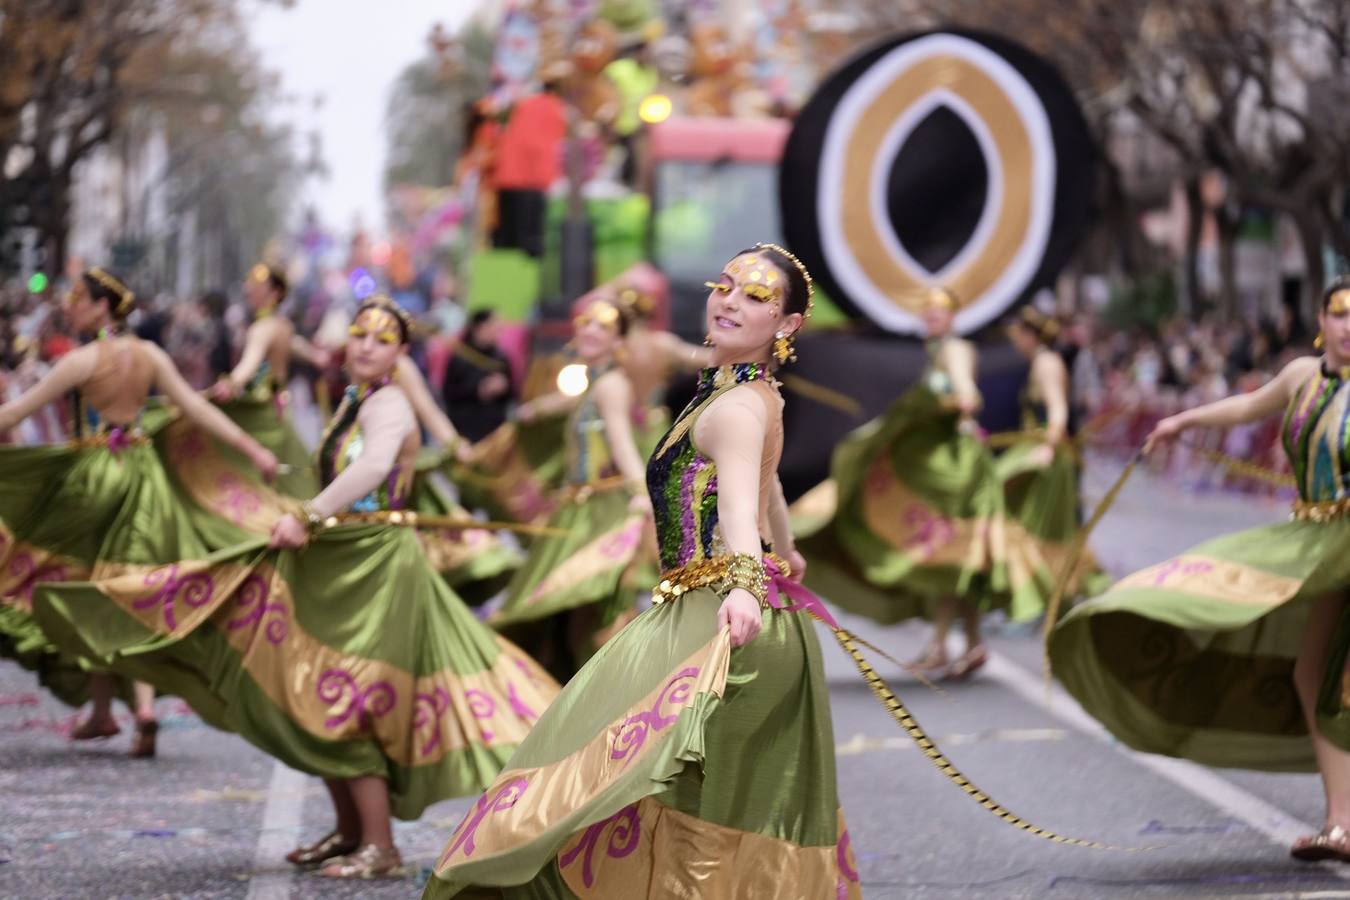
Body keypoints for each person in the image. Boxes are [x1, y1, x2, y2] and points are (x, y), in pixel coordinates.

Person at [34, 294, 559, 877]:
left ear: (401, 355)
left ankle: (380, 847)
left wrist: (308, 516)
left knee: (348, 696)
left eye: (382, 340)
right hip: (343, 558)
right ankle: (350, 832)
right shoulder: (356, 401)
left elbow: (373, 466)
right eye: (359, 333)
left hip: (375, 567)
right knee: (309, 685)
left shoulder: (387, 404)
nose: (365, 345)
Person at [421, 243, 861, 899]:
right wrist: (788, 551)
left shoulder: (738, 405)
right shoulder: (747, 392)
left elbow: (741, 507)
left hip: (724, 622)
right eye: (726, 285)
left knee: (652, 789)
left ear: (788, 325)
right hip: (706, 608)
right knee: (651, 788)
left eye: (757, 296)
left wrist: (745, 586)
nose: (730, 300)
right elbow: (767, 486)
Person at [1050, 277, 1350, 863]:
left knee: (1337, 683)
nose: (1349, 325)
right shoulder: (1300, 377)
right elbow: (1248, 404)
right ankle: (1340, 822)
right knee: (1311, 676)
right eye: (1340, 313)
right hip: (1315, 542)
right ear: (1322, 319)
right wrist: (1181, 422)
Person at [0, 267, 278, 757]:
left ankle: (121, 710)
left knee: (94, 586)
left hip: (93, 476)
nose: (70, 305)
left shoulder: (81, 361)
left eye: (79, 298)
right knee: (130, 585)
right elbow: (197, 409)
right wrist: (254, 451)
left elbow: (16, 413)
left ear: (103, 306)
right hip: (143, 475)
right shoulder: (149, 355)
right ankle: (121, 710)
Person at [795, 287, 1007, 679]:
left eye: (938, 311)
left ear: (953, 316)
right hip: (951, 462)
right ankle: (969, 642)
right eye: (925, 311)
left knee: (946, 556)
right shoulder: (941, 350)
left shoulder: (953, 349)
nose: (930, 317)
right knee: (962, 557)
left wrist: (952, 403)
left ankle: (945, 644)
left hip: (953, 467)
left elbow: (967, 396)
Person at [488, 298, 655, 678]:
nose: (590, 331)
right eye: (585, 322)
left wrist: (641, 495)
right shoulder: (594, 381)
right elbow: (570, 403)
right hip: (578, 507)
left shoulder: (611, 384)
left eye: (604, 327)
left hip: (599, 510)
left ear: (618, 342)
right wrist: (534, 410)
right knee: (569, 607)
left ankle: (603, 690)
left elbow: (622, 442)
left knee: (580, 602)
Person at [999, 307, 1107, 619]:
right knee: (1032, 529)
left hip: (1047, 459)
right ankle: (1040, 602)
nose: (1014, 342)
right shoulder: (1038, 362)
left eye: (1017, 335)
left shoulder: (1046, 362)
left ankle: (1059, 599)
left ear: (1030, 335)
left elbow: (1058, 410)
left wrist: (1047, 448)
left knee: (1042, 530)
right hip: (1038, 453)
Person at [443, 309, 514, 443]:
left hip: (495, 428)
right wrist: (478, 389)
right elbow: (449, 393)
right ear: (479, 327)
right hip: (466, 428)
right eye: (494, 327)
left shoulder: (501, 357)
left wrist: (503, 387)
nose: (498, 332)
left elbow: (514, 393)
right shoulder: (461, 356)